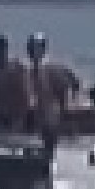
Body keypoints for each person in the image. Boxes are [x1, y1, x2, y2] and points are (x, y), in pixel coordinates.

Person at [24, 33, 79, 165]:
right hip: (39, 114)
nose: (31, 51)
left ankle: (45, 173)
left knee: (47, 149)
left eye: (35, 48)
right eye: (30, 48)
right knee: (36, 148)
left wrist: (67, 105)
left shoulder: (52, 68)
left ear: (43, 49)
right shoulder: (31, 70)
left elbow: (74, 84)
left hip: (50, 115)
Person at [0, 34, 31, 133]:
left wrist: (19, 122)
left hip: (18, 121)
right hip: (1, 121)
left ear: (0, 50)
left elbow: (25, 97)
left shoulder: (18, 69)